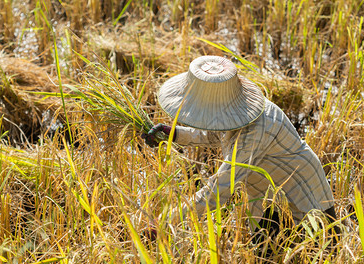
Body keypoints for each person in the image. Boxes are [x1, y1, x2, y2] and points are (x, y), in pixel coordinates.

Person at [142, 55, 338, 245]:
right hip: (264, 194)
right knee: (265, 258)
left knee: (319, 255)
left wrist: (170, 219)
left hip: (299, 192)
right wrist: (173, 134)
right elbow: (213, 134)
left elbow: (218, 191)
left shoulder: (255, 131)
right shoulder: (229, 114)